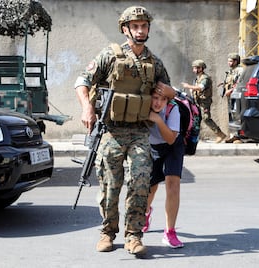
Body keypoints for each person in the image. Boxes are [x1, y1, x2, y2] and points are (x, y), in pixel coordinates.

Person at [74, 6, 174, 256]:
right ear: (125, 29)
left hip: (140, 131)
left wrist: (167, 96)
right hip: (111, 131)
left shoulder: (154, 62)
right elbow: (82, 81)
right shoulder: (110, 55)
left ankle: (134, 235)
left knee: (141, 181)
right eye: (136, 26)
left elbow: (168, 90)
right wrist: (87, 108)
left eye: (144, 26)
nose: (141, 30)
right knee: (110, 185)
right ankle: (108, 232)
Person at [142, 86, 185, 248]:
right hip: (152, 147)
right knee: (150, 188)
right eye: (154, 98)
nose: (158, 102)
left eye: (163, 99)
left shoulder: (173, 109)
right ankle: (146, 213)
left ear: (168, 99)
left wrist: (158, 119)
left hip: (173, 144)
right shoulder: (140, 106)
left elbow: (171, 140)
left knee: (173, 185)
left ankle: (170, 231)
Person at [181, 60, 226, 143]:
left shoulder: (205, 78)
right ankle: (197, 136)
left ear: (201, 68)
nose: (194, 70)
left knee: (206, 118)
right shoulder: (198, 78)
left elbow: (200, 87)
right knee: (197, 119)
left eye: (196, 68)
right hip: (198, 101)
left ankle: (220, 134)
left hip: (204, 102)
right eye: (194, 68)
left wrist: (188, 86)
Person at [218, 53, 244, 143]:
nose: (229, 63)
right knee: (232, 116)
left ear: (236, 61)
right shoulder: (231, 71)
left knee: (237, 116)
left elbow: (239, 83)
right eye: (228, 61)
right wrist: (223, 83)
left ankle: (239, 137)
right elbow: (231, 80)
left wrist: (231, 90)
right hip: (230, 98)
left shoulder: (240, 70)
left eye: (231, 61)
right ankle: (234, 136)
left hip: (236, 96)